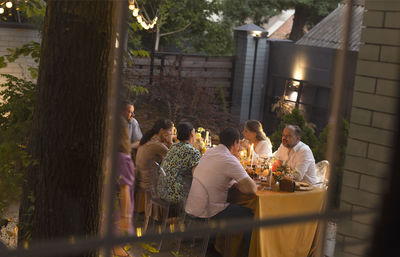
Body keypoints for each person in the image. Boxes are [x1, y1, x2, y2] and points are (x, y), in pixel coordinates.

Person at [185, 127, 257, 257]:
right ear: (235, 143)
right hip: (207, 211)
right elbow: (252, 189)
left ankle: (215, 245)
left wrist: (232, 183)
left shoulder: (210, 152)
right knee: (251, 216)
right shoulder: (229, 159)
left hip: (192, 206)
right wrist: (238, 185)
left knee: (230, 203)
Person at [157, 122, 200, 214]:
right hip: (174, 195)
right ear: (192, 134)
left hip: (162, 189)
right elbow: (196, 177)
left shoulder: (174, 146)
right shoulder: (192, 152)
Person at [134, 119, 174, 213]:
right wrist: (170, 143)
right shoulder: (156, 144)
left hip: (140, 179)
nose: (171, 133)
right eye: (170, 131)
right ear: (161, 131)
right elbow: (175, 160)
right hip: (149, 184)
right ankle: (172, 218)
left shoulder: (148, 139)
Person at [113, 117, 135, 257]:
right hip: (115, 209)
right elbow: (124, 189)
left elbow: (124, 189)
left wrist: (125, 217)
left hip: (115, 209)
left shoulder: (118, 157)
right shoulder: (119, 157)